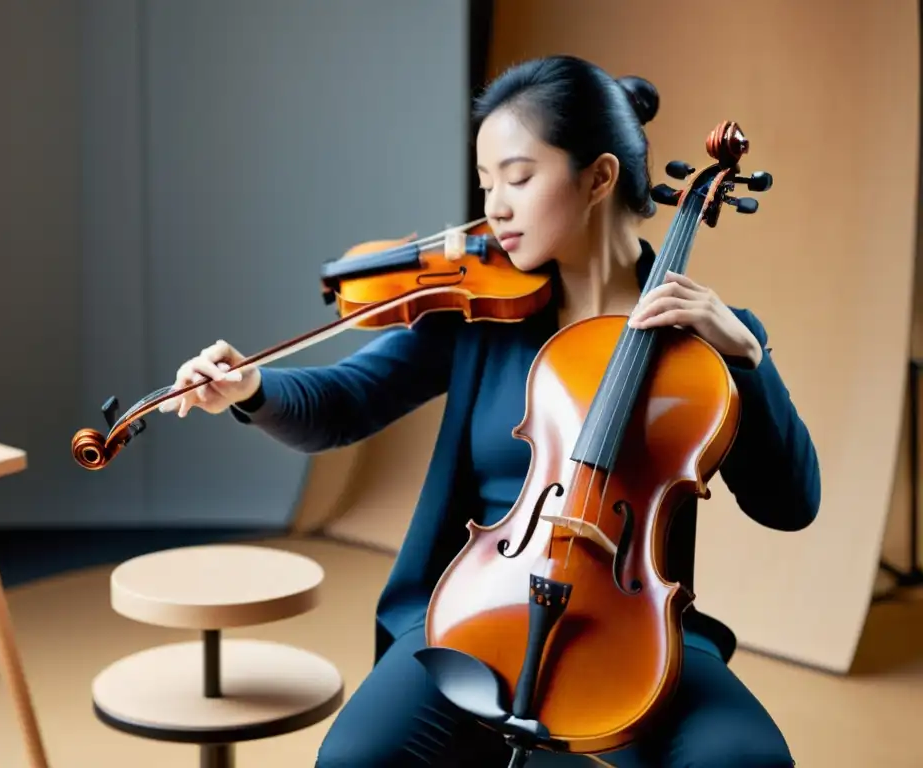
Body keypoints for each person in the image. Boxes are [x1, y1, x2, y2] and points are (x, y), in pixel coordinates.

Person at [160, 55, 819, 768]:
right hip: (475, 605)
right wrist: (252, 389)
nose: (494, 207)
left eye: (519, 176)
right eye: (485, 183)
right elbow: (343, 403)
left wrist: (748, 359)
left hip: (634, 625)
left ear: (598, 176)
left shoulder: (703, 346)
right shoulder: (485, 314)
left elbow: (792, 503)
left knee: (746, 760)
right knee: (357, 761)